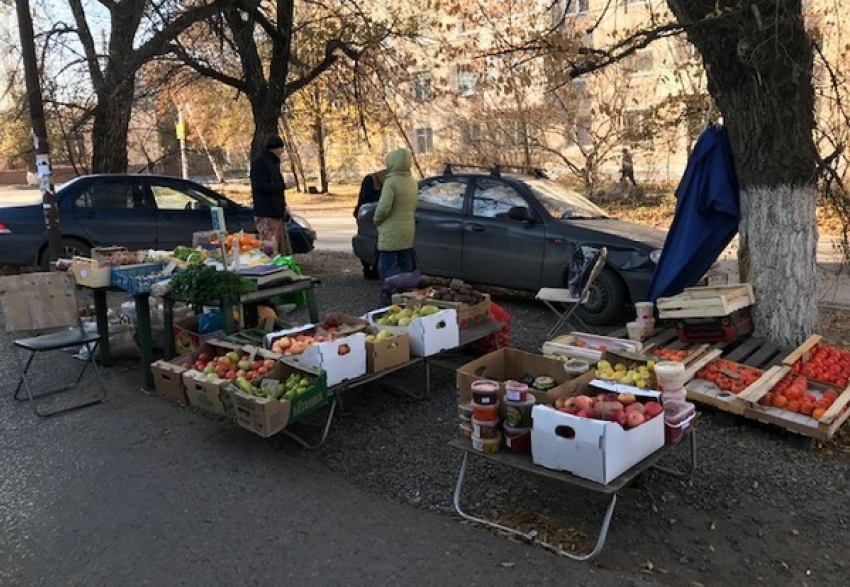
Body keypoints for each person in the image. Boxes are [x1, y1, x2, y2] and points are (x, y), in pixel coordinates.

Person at [374, 148, 418, 281]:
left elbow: (383, 208)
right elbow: (415, 205)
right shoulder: (412, 182)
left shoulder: (391, 182)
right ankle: (408, 292)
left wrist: (377, 220)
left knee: (388, 264)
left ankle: (393, 292)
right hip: (407, 230)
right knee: (406, 261)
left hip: (390, 231)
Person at [250, 134, 291, 255]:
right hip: (267, 213)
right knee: (270, 247)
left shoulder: (272, 163)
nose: (282, 151)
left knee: (277, 247)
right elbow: (260, 186)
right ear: (274, 148)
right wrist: (283, 186)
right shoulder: (261, 163)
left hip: (276, 212)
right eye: (280, 148)